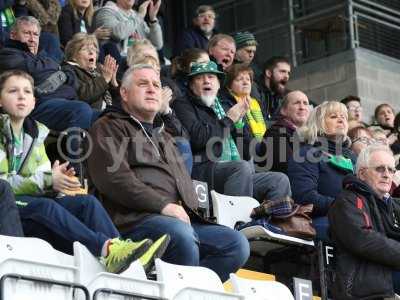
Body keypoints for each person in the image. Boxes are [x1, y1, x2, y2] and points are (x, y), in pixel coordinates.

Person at [86, 63, 250, 282]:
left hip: (173, 219)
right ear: (123, 93)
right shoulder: (107, 126)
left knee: (235, 244)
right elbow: (115, 179)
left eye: (156, 84)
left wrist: (190, 213)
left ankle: (180, 288)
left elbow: (183, 182)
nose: (153, 89)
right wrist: (164, 206)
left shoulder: (164, 136)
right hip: (132, 221)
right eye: (143, 84)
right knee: (181, 235)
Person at [0, 69, 169, 273]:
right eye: (13, 91)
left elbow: (43, 181)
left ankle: (129, 258)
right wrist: (47, 180)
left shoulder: (36, 132)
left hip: (28, 205)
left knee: (87, 203)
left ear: (34, 102)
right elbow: (4, 184)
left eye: (27, 92)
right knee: (47, 208)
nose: (21, 96)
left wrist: (59, 181)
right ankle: (107, 249)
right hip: (8, 208)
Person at [173, 61, 291, 202]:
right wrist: (229, 120)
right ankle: (239, 222)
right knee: (240, 168)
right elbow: (198, 138)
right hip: (205, 170)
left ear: (218, 84)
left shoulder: (223, 106)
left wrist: (240, 125)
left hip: (237, 170)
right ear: (191, 85)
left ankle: (266, 223)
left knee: (279, 180)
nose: (206, 81)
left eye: (211, 77)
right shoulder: (182, 104)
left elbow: (247, 153)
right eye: (199, 78)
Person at [0, 16, 98, 173]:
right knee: (81, 110)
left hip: (62, 103)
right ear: (13, 35)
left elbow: (72, 78)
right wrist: (59, 73)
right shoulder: (7, 54)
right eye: (27, 33)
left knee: (105, 118)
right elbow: (38, 71)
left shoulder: (42, 57)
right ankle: (73, 173)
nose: (32, 39)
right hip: (37, 106)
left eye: (35, 34)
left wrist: (57, 73)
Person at [329, 144, 400, 299]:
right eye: (380, 169)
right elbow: (363, 239)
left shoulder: (394, 205)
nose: (387, 175)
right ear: (361, 173)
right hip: (363, 291)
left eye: (391, 170)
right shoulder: (348, 200)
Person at [288, 101, 355, 240]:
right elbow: (304, 196)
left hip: (358, 218)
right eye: (333, 116)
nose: (341, 119)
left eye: (344, 116)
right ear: (318, 123)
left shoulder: (353, 158)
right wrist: (345, 207)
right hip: (325, 219)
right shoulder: (305, 154)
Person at [62, 33, 118, 109]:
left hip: (110, 113)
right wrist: (104, 80)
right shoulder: (68, 71)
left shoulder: (100, 69)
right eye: (85, 49)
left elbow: (118, 101)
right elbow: (81, 96)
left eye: (94, 49)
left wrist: (113, 83)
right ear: (74, 56)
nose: (91, 52)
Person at [92, 0, 163, 57]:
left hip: (141, 61)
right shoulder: (105, 12)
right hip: (117, 66)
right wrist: (140, 16)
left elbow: (157, 44)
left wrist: (153, 19)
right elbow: (118, 33)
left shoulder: (136, 15)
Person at [263, 90, 310, 174]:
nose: (302, 107)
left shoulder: (311, 135)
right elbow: (289, 168)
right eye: (297, 103)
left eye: (305, 103)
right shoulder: (275, 133)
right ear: (283, 110)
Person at [257, 56, 291, 121]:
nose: (286, 76)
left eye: (288, 73)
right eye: (282, 71)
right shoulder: (254, 90)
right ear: (268, 73)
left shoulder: (282, 96)